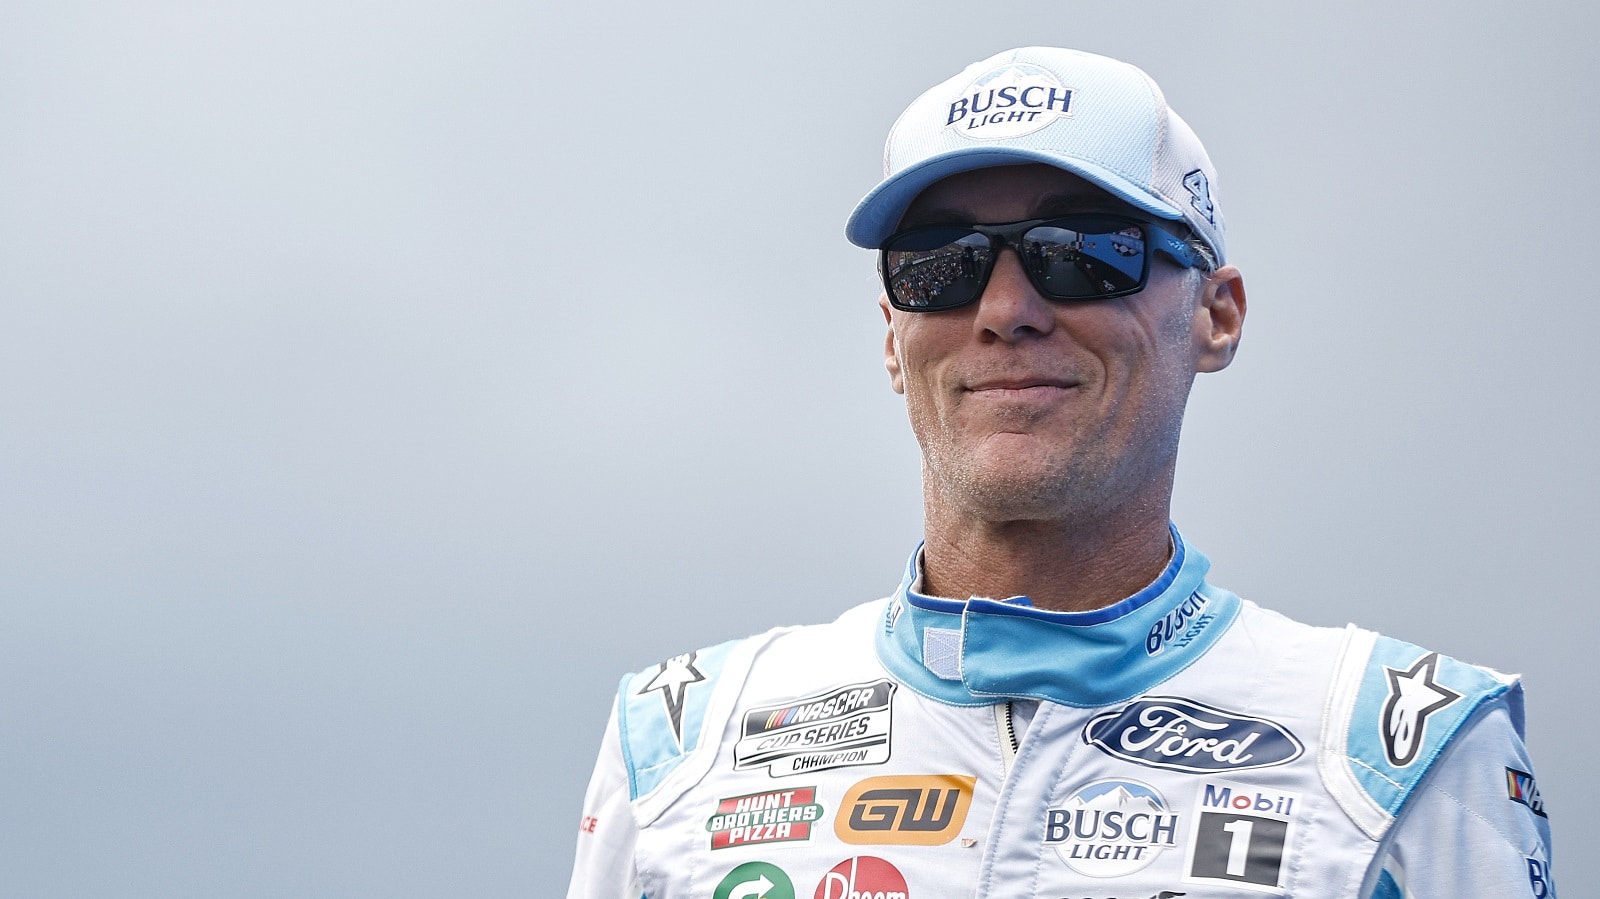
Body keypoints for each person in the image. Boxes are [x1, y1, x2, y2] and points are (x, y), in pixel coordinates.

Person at [566, 47, 1556, 899]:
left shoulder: (1399, 743)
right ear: (890, 332)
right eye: (937, 262)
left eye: (1081, 251)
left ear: (1217, 313)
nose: (1003, 308)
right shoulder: (680, 736)